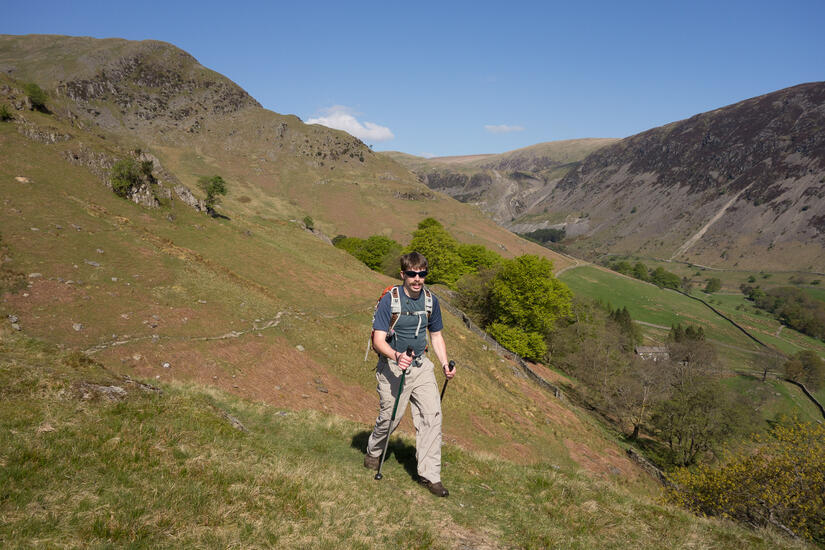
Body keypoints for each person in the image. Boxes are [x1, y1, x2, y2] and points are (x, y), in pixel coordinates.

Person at [363, 251, 456, 497]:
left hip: (421, 365)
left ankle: (430, 476)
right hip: (393, 366)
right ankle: (374, 451)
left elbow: (435, 335)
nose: (417, 279)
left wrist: (445, 363)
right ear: (403, 274)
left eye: (422, 274)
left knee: (432, 417)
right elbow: (378, 340)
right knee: (390, 419)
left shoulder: (430, 301)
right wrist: (396, 356)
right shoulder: (390, 300)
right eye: (413, 274)